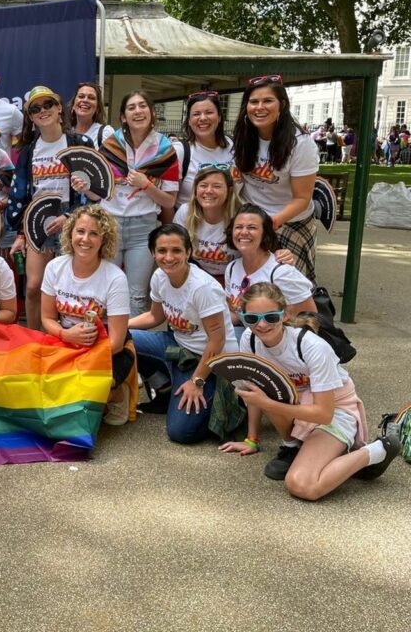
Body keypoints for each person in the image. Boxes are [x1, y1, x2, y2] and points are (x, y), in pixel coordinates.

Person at [220, 282, 402, 499]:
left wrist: (267, 403)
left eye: (271, 317)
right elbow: (255, 393)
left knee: (301, 485)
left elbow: (324, 414)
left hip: (335, 411)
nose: (261, 325)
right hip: (298, 408)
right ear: (243, 318)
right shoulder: (249, 340)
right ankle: (292, 446)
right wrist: (252, 439)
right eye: (251, 318)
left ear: (285, 314)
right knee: (266, 388)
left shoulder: (312, 347)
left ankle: (376, 450)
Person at [128, 224, 238, 444]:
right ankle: (165, 388)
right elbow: (155, 317)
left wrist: (196, 382)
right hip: (178, 346)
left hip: (212, 360)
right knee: (124, 337)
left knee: (181, 432)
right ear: (153, 253)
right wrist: (116, 327)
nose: (169, 257)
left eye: (176, 250)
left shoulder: (202, 288)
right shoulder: (159, 276)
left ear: (188, 252)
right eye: (162, 250)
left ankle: (218, 397)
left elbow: (218, 341)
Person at [87, 90, 179, 317]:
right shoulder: (110, 146)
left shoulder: (166, 149)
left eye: (142, 106)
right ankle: (104, 337)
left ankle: (131, 338)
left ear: (152, 112)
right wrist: (85, 187)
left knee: (137, 294)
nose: (138, 111)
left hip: (143, 228)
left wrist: (145, 184)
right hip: (109, 225)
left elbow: (169, 200)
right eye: (131, 107)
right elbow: (97, 195)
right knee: (104, 289)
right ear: (123, 117)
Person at [40, 205, 133, 426]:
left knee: (81, 393)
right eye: (80, 231)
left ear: (104, 239)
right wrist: (66, 335)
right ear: (70, 233)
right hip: (65, 340)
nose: (85, 239)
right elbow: (47, 319)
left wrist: (80, 361)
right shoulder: (54, 267)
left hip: (106, 348)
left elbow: (117, 342)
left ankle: (116, 394)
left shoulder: (115, 278)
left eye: (94, 233)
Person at [7, 86, 87, 330]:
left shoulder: (79, 142)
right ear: (30, 117)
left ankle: (61, 337)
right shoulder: (28, 152)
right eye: (35, 108)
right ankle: (33, 338)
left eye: (48, 104)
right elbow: (20, 194)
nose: (43, 111)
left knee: (66, 287)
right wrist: (21, 233)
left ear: (60, 107)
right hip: (37, 219)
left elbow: (93, 189)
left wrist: (70, 216)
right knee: (33, 286)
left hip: (72, 219)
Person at [233, 75, 319, 280]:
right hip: (252, 218)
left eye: (268, 101)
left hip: (290, 222)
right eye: (254, 101)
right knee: (252, 282)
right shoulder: (243, 136)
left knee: (287, 283)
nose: (259, 107)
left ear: (282, 104)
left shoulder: (301, 144)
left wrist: (269, 224)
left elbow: (302, 198)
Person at [223, 204, 316, 334]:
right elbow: (236, 315)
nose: (244, 232)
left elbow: (310, 318)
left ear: (264, 234)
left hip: (280, 338)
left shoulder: (281, 272)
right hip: (248, 334)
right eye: (238, 227)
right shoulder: (232, 268)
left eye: (252, 227)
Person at [173, 166, 241, 283]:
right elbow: (175, 251)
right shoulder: (185, 212)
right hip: (198, 277)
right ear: (195, 190)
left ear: (229, 191)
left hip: (235, 278)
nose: (209, 191)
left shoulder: (242, 216)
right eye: (203, 185)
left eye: (217, 186)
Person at [173, 91, 238, 209]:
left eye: (209, 112)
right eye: (196, 114)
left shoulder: (235, 145)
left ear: (219, 117)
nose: (203, 118)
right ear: (189, 121)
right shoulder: (180, 151)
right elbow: (168, 201)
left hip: (231, 218)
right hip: (190, 219)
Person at [66, 81, 113, 150]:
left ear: (97, 108)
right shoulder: (65, 134)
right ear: (73, 105)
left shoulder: (105, 133)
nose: (85, 100)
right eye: (81, 96)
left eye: (91, 98)